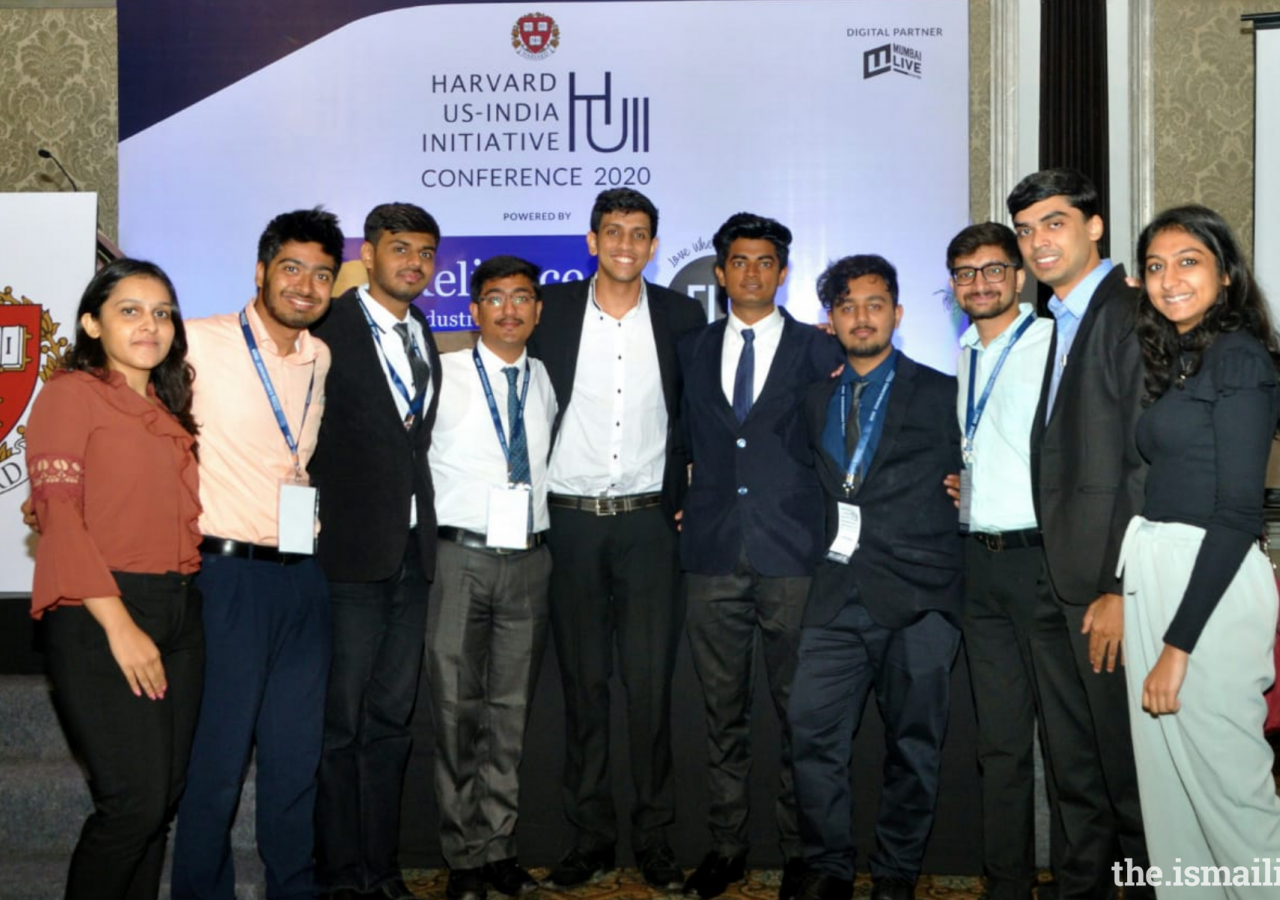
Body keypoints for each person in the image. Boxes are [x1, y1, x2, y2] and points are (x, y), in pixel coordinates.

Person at [529, 188, 704, 890]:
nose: (626, 243)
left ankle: (655, 837)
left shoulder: (683, 315)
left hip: (649, 525)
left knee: (651, 689)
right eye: (613, 231)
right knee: (583, 688)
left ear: (655, 245)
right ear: (591, 241)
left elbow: (702, 416)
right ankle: (591, 837)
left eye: (639, 233)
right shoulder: (554, 311)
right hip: (569, 522)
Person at [171, 208, 343, 900]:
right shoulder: (198, 342)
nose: (305, 285)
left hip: (302, 579)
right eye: (292, 268)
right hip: (225, 577)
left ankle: (292, 889)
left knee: (295, 759)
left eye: (322, 274)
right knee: (215, 765)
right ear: (261, 270)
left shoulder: (319, 357)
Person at [678, 212, 844, 900]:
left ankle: (801, 851)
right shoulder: (689, 348)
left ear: (783, 272)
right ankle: (727, 847)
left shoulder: (818, 350)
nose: (751, 271)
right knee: (723, 716)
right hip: (713, 552)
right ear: (719, 273)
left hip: (793, 556)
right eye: (738, 261)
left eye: (765, 261)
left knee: (798, 712)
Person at [25, 259, 201, 900]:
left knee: (161, 804)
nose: (149, 324)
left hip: (181, 612)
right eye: (130, 310)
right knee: (132, 805)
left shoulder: (168, 403)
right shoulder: (70, 394)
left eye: (161, 312)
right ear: (91, 323)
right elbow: (61, 518)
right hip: (102, 611)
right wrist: (121, 625)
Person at [788, 255, 963, 900]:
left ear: (897, 312)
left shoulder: (945, 391)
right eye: (847, 306)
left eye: (874, 303)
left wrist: (974, 487)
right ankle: (829, 869)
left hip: (920, 598)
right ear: (829, 321)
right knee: (811, 736)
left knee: (914, 750)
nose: (862, 316)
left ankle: (895, 875)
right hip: (835, 598)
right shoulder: (813, 401)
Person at [1118, 204, 1280, 891]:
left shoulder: (1242, 358)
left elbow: (1240, 512)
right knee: (1173, 804)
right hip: (1157, 566)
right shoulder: (1182, 356)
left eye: (1189, 261)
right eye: (1156, 266)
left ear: (1227, 272)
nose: (1169, 279)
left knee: (1233, 801)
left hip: (1208, 583)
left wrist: (1177, 647)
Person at [1006, 168, 1152, 900]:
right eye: (1027, 231)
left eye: (1054, 223)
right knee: (1076, 770)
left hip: (1104, 587)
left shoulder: (1130, 315)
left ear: (1095, 227)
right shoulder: (1058, 321)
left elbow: (1143, 463)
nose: (1038, 242)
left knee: (1126, 778)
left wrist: (1120, 588)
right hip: (1056, 583)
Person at [311, 203, 442, 900]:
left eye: (425, 252)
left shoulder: (422, 330)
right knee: (341, 725)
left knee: (392, 723)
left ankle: (382, 868)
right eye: (400, 249)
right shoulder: (326, 324)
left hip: (413, 560)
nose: (413, 262)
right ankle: (338, 874)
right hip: (348, 557)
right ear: (369, 252)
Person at [425, 256, 557, 900]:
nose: (510, 309)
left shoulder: (544, 381)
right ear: (473, 310)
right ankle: (463, 857)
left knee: (511, 715)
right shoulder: (441, 375)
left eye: (523, 298)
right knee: (456, 712)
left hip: (530, 561)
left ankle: (499, 847)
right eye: (495, 298)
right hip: (460, 558)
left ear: (537, 310)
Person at [945, 223, 1057, 900]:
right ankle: (1008, 884)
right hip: (978, 566)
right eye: (965, 273)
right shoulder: (961, 353)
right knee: (1001, 744)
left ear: (1020, 277)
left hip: (1045, 562)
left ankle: (1085, 882)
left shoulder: (1052, 344)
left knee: (1071, 748)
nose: (980, 283)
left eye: (994, 270)